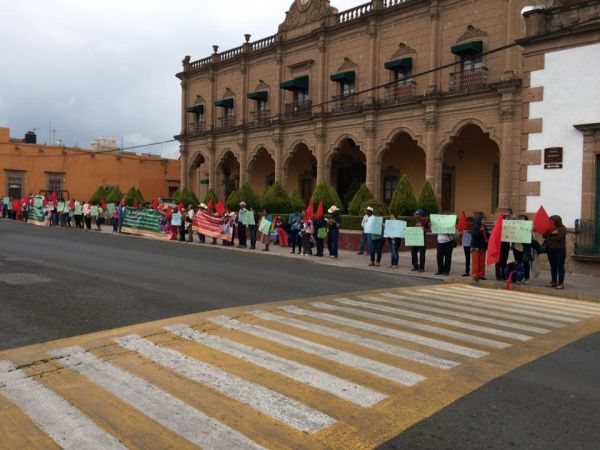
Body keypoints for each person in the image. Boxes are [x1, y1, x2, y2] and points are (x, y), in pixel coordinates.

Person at [543, 215, 567, 289]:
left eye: (552, 221)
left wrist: (549, 237)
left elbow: (559, 238)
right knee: (553, 266)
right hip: (551, 249)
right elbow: (544, 235)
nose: (551, 222)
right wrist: (551, 233)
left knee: (560, 266)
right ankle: (554, 281)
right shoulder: (550, 228)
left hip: (560, 249)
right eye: (550, 221)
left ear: (557, 221)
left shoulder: (562, 228)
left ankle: (561, 283)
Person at [512, 214, 532, 284]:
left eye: (523, 219)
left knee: (526, 263)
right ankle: (518, 278)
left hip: (524, 249)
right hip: (516, 248)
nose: (521, 220)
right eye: (520, 219)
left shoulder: (529, 228)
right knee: (518, 263)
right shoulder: (516, 227)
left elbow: (531, 240)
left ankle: (526, 278)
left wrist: (530, 233)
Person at [470, 213, 489, 281]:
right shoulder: (475, 227)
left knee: (482, 262)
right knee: (476, 262)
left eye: (484, 220)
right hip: (476, 247)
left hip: (482, 247)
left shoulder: (485, 227)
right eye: (483, 220)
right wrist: (480, 231)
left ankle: (481, 275)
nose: (484, 221)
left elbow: (487, 236)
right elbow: (474, 236)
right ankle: (475, 275)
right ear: (479, 220)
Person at [495, 209, 512, 280]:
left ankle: (503, 275)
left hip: (506, 244)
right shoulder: (498, 225)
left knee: (504, 261)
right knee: (498, 261)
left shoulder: (509, 226)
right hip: (499, 245)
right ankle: (498, 275)